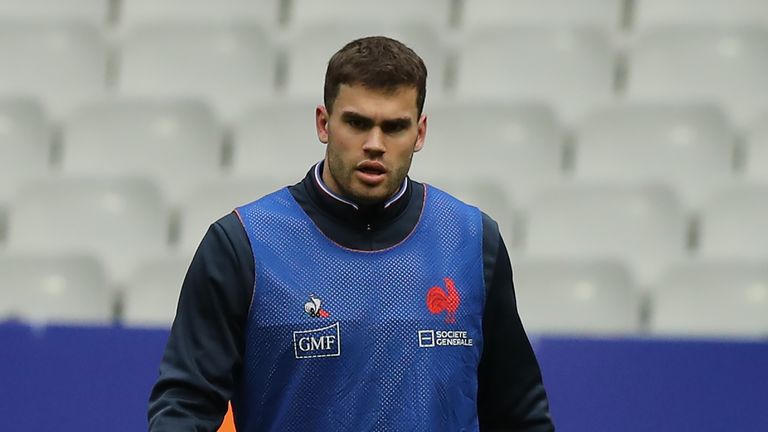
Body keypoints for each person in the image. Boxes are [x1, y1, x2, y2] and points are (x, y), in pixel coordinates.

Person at [148, 36, 554, 431]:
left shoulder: (471, 241)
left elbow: (519, 415)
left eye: (394, 127)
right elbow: (184, 409)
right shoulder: (243, 245)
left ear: (420, 132)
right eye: (357, 123)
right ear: (324, 123)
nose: (374, 144)